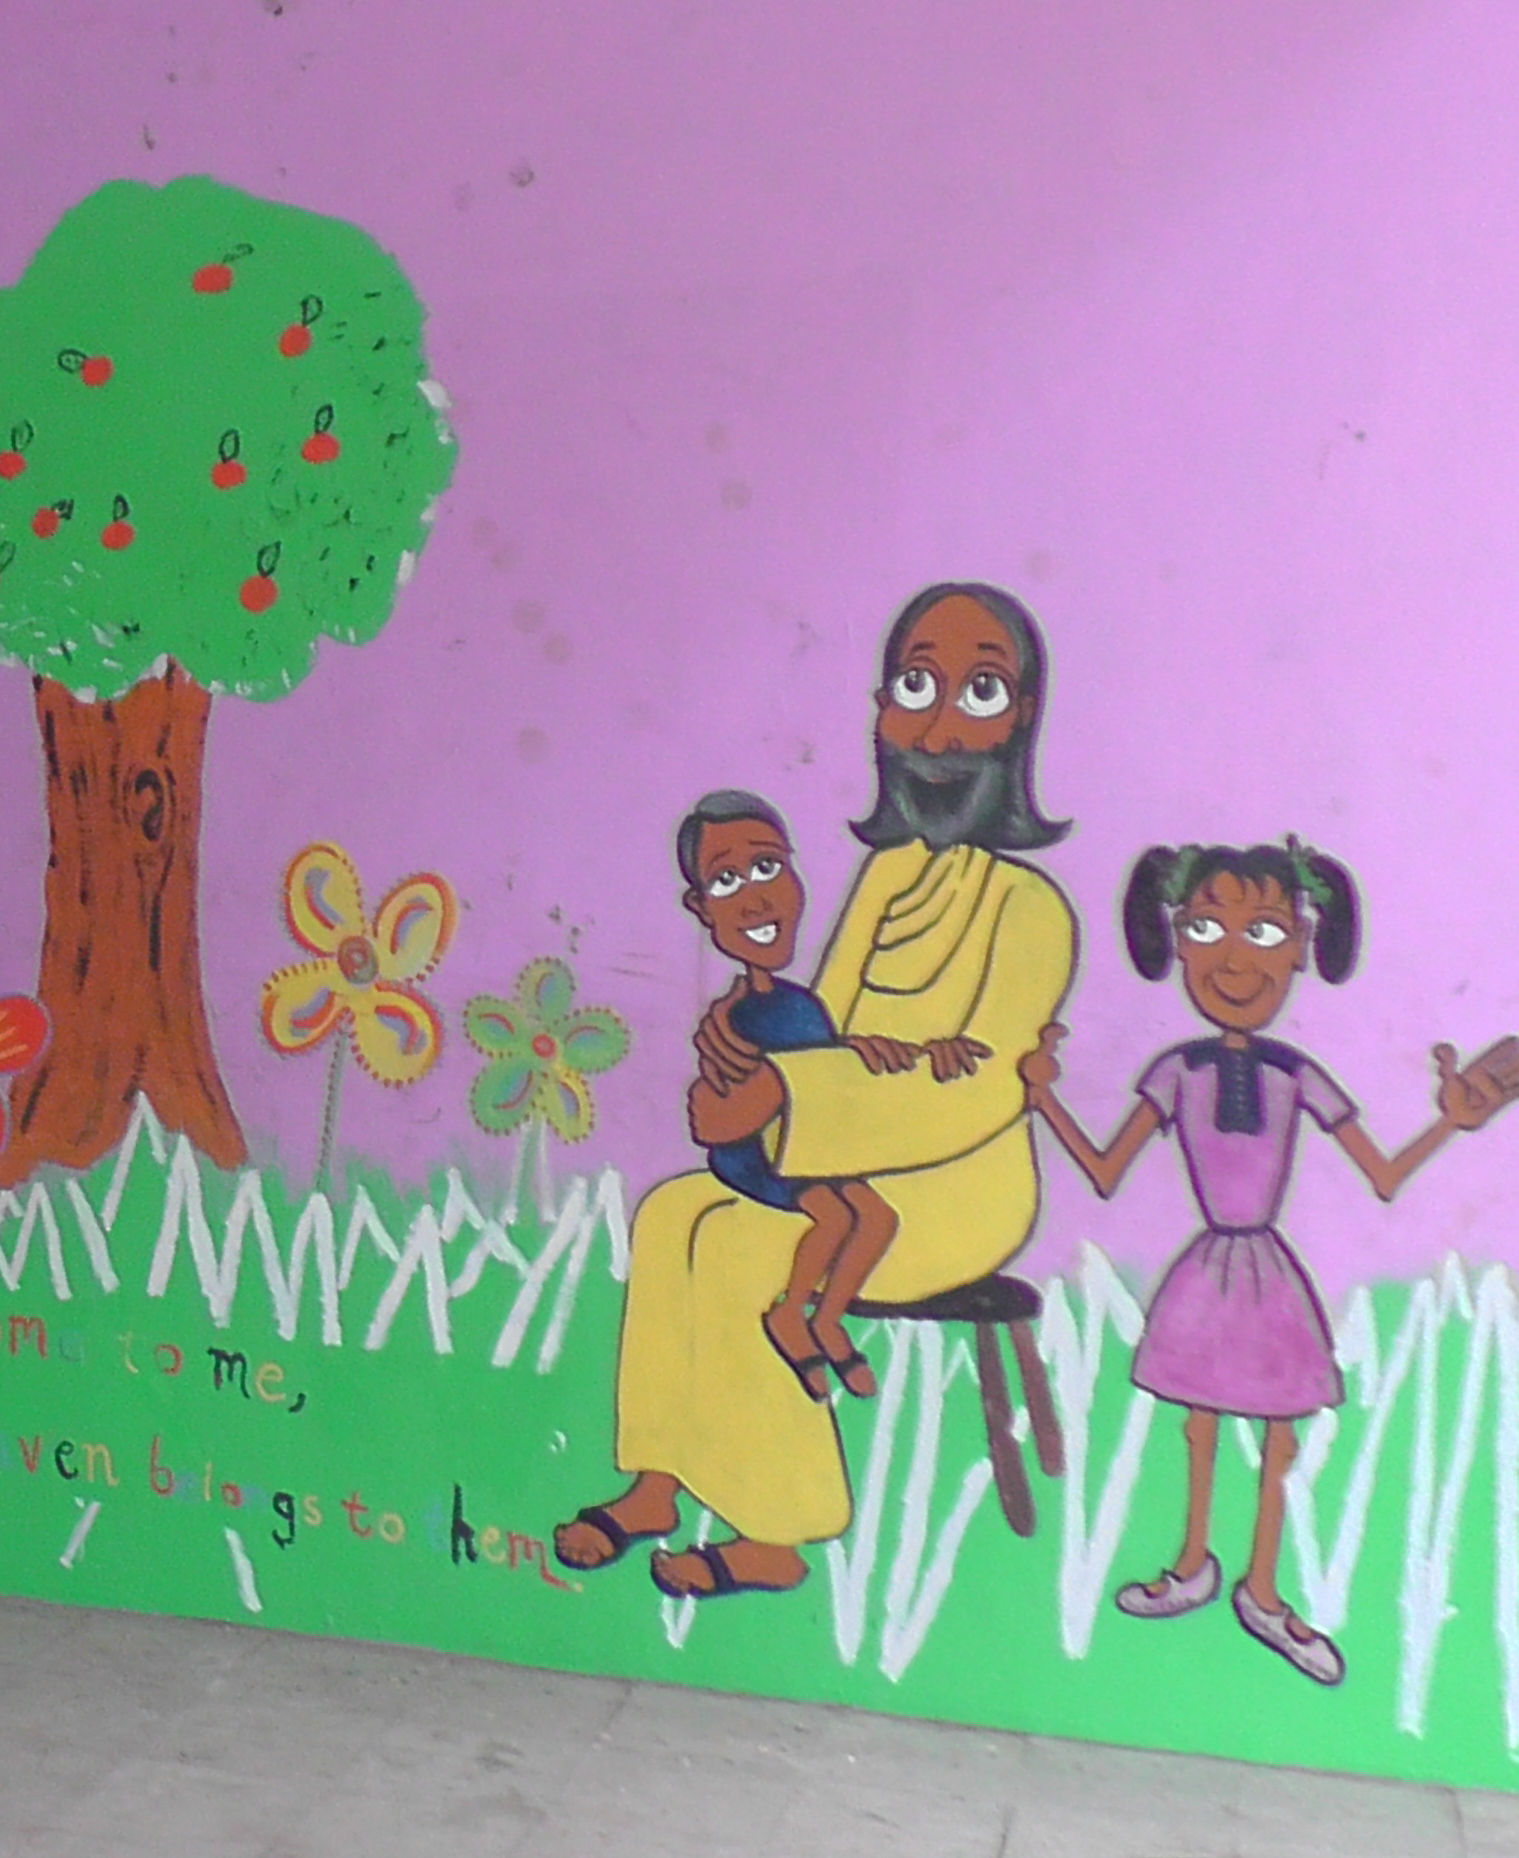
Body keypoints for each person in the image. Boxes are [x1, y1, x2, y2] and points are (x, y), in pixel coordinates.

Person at [556, 582, 1078, 1600]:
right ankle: (657, 1481)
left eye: (977, 692)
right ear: (883, 710)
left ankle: (776, 1531)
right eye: (916, 687)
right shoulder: (887, 876)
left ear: (1018, 716)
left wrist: (784, 1104)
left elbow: (981, 1091)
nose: (939, 727)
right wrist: (748, 1087)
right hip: (831, 1159)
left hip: (956, 1189)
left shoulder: (1031, 908)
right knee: (674, 1215)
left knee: (744, 1250)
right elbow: (828, 1027)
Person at [1020, 840, 1519, 1685]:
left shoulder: (1298, 1075)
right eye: (1204, 928)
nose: (1232, 960)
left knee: (1278, 1431)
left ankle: (1262, 1591)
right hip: (1208, 1269)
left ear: (1301, 946)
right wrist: (1043, 1098)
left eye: (1262, 933)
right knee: (1201, 1420)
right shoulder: (1176, 1070)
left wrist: (1451, 1122)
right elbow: (1105, 1171)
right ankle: (1192, 1565)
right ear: (1175, 941)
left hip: (1266, 1272)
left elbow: (1382, 1174)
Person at [676, 789, 987, 1401]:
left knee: (878, 1217)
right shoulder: (734, 1016)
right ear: (701, 907)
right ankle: (790, 1313)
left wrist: (885, 1053)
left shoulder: (801, 1005)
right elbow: (725, 1110)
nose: (755, 897)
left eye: (768, 867)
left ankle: (826, 1319)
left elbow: (827, 1069)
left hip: (812, 1147)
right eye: (726, 881)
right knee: (839, 1215)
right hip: (761, 1156)